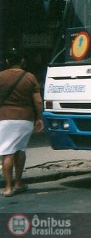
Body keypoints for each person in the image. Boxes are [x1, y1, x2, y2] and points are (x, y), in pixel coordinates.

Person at [0, 48, 43, 197]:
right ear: (22, 61)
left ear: (6, 61)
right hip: (25, 119)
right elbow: (37, 101)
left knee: (7, 153)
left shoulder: (1, 76)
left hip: (4, 119)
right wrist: (39, 118)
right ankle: (18, 183)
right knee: (20, 150)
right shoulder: (30, 77)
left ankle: (8, 187)